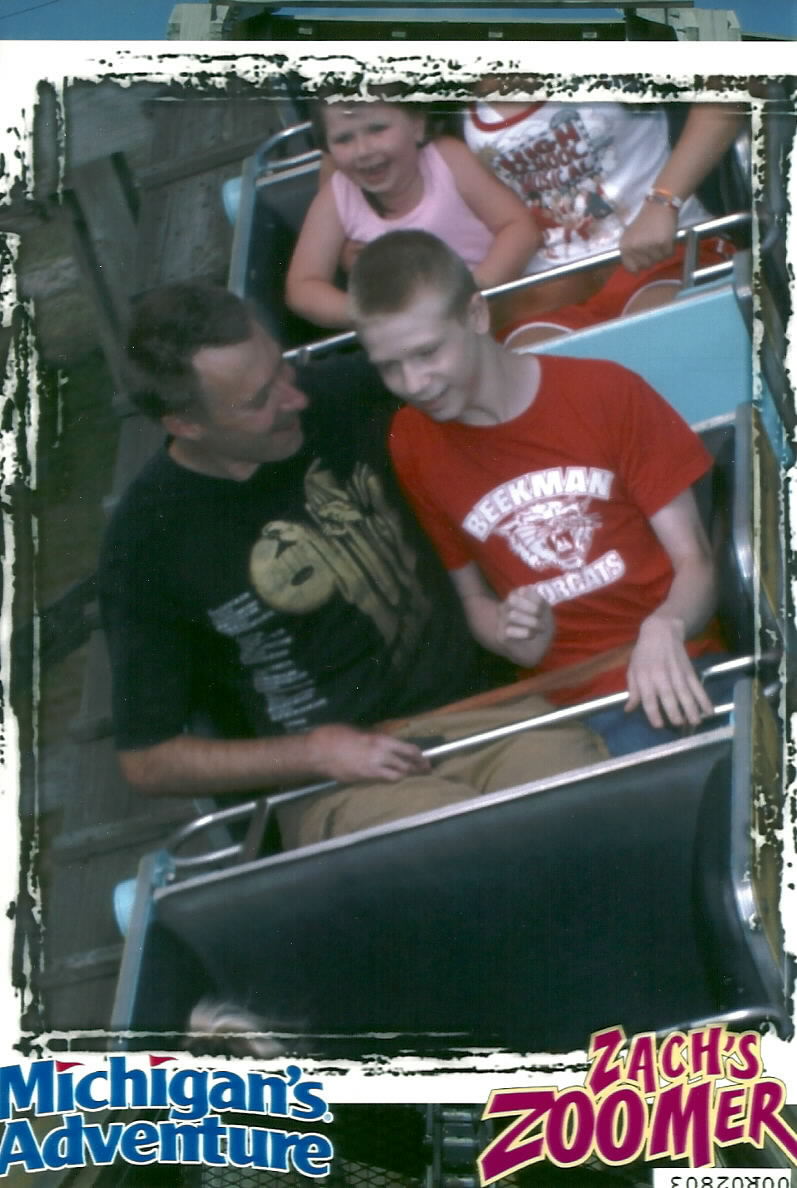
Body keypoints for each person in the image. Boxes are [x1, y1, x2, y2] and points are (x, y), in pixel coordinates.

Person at [98, 283, 607, 847]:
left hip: (488, 712)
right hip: (338, 780)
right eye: (259, 400)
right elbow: (147, 759)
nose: (294, 398)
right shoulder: (146, 541)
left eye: (282, 367)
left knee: (587, 803)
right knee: (456, 844)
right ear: (185, 425)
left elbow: (502, 382)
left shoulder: (347, 393)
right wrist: (315, 753)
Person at [349, 230, 734, 756]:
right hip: (559, 704)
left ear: (476, 315)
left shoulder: (604, 392)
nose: (414, 383)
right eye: (389, 366)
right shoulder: (411, 441)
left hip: (674, 659)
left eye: (428, 352)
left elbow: (697, 561)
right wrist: (509, 635)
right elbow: (473, 598)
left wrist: (665, 625)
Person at [462, 91, 747, 346]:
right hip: (556, 282)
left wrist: (664, 201)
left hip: (660, 249)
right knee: (545, 369)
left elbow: (730, 88)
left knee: (660, 338)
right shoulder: (460, 113)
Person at [285, 100, 540, 329]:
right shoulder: (337, 196)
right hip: (413, 336)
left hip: (498, 307)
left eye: (377, 129)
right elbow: (302, 287)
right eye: (343, 139)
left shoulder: (447, 160)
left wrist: (474, 290)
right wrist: (371, 314)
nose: (363, 150)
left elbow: (518, 227)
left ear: (417, 126)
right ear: (328, 149)